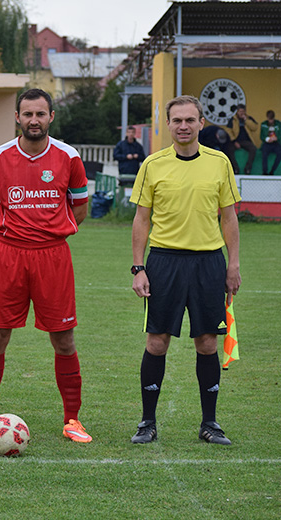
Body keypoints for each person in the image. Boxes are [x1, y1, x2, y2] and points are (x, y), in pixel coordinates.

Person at [0, 88, 92, 444]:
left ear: (51, 117)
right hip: (9, 256)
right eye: (28, 114)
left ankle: (72, 420)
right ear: (17, 117)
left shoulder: (68, 156)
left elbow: (80, 208)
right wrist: (11, 235)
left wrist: (50, 232)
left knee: (63, 338)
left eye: (40, 114)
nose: (34, 120)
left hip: (53, 257)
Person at [129, 95, 241, 445]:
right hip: (164, 262)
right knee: (157, 341)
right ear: (168, 124)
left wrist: (233, 264)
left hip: (209, 262)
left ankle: (210, 423)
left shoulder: (219, 162)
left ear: (201, 123)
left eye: (190, 120)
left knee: (207, 342)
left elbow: (229, 217)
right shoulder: (152, 164)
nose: (183, 126)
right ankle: (147, 422)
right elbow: (142, 218)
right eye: (177, 120)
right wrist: (138, 267)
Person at [224, 104, 259, 174]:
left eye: (243, 111)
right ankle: (235, 169)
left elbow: (255, 127)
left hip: (246, 141)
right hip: (235, 141)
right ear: (237, 112)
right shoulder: (233, 119)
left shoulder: (249, 118)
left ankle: (247, 168)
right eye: (240, 111)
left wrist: (246, 120)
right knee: (228, 149)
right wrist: (234, 141)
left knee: (253, 149)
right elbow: (228, 131)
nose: (241, 113)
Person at [260, 109, 281, 175]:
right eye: (269, 119)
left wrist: (277, 138)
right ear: (267, 118)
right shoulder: (263, 124)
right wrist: (267, 139)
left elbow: (280, 135)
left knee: (280, 153)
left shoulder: (278, 124)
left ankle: (272, 171)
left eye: (272, 119)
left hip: (276, 143)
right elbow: (261, 136)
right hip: (267, 143)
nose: (271, 121)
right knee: (264, 153)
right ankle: (265, 172)